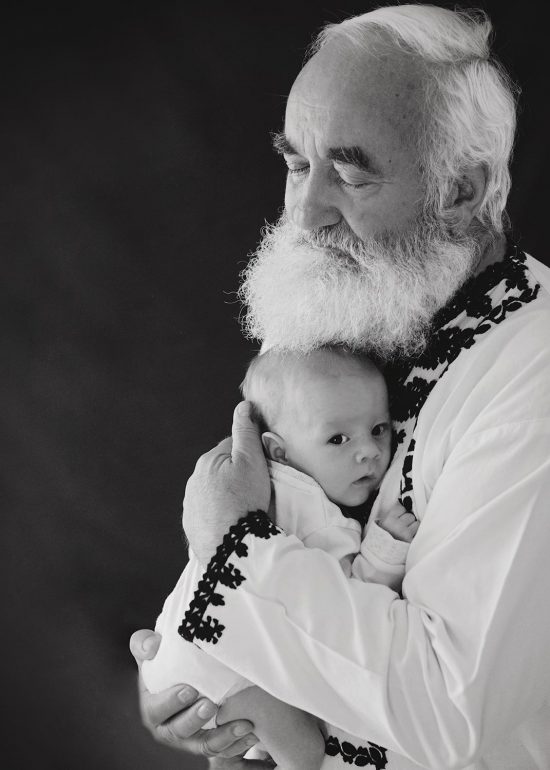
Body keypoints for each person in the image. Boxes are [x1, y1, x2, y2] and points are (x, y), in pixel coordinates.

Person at [130, 5, 550, 769]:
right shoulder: (348, 308)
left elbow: (449, 712)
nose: (305, 214)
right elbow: (277, 552)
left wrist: (232, 553)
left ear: (462, 191)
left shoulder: (536, 377)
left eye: (351, 175)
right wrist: (196, 679)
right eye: (297, 165)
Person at [141, 346, 418, 769]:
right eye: (338, 439)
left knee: (264, 742)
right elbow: (343, 609)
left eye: (379, 429)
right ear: (280, 452)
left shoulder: (252, 483)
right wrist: (384, 551)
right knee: (305, 755)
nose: (370, 451)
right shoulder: (321, 518)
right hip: (218, 668)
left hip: (175, 654)